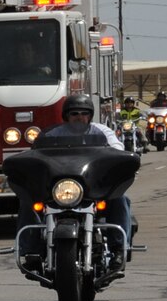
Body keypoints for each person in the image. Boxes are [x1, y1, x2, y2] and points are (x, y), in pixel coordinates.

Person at [23, 94, 135, 263]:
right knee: (28, 200)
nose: (79, 117)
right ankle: (31, 251)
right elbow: (36, 153)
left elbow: (117, 150)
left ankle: (119, 248)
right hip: (60, 187)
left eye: (84, 113)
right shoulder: (52, 135)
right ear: (66, 116)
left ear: (90, 115)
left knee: (119, 198)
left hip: (93, 186)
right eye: (74, 113)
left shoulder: (103, 132)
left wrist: (122, 158)